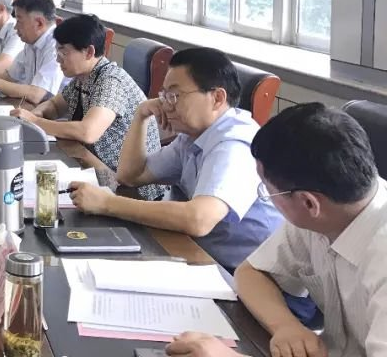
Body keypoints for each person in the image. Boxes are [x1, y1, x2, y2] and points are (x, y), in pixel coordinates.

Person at [166, 103, 387, 357]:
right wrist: (285, 326)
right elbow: (252, 272)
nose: (268, 198)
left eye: (267, 191)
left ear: (308, 203)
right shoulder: (327, 211)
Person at [66, 47, 282, 272]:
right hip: (198, 253)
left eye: (175, 96)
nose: (166, 105)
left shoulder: (234, 145)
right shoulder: (191, 137)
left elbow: (198, 220)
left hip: (241, 274)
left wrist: (107, 204)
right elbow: (130, 176)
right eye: (165, 95)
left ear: (217, 98)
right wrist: (141, 115)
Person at [14, 14, 165, 200]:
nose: (58, 60)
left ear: (89, 52)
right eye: (57, 52)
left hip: (131, 189)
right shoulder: (84, 77)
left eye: (64, 53)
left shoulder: (111, 80)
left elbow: (88, 132)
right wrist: (36, 114)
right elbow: (54, 105)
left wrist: (35, 121)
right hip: (99, 168)